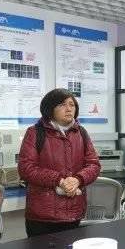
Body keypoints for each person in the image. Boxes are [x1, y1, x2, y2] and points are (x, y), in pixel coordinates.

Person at [18, 89, 101, 237]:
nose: (69, 109)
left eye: (72, 105)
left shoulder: (81, 133)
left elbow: (93, 165)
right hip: (42, 216)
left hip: (74, 212)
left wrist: (78, 179)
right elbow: (26, 168)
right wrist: (59, 180)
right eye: (62, 105)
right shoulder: (35, 133)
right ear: (50, 108)